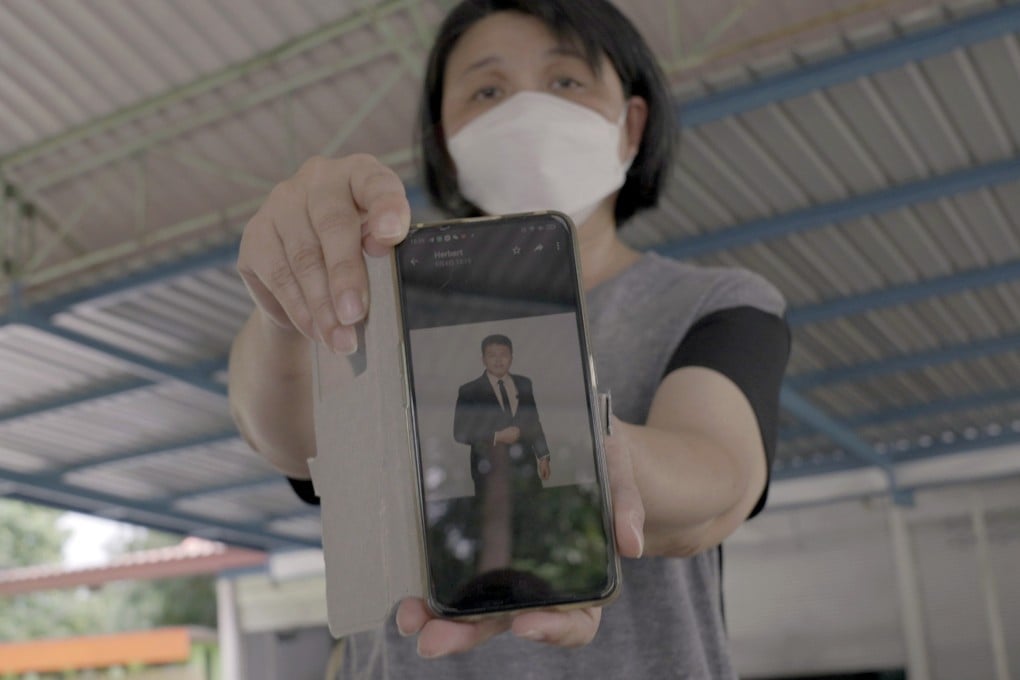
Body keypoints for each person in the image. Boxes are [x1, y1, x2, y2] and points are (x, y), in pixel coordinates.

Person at [228, 0, 791, 677]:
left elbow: (718, 477)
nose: (526, 111)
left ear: (631, 123)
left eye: (565, 81)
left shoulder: (714, 304)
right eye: (487, 90)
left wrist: (585, 450)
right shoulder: (379, 305)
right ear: (445, 141)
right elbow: (287, 436)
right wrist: (286, 308)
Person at [454, 333, 551, 496]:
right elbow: (460, 432)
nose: (498, 360)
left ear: (511, 357)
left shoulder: (524, 384)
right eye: (492, 355)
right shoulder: (469, 391)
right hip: (488, 469)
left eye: (503, 355)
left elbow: (534, 422)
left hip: (524, 469)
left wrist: (543, 457)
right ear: (483, 359)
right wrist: (496, 436)